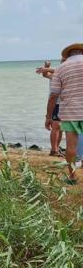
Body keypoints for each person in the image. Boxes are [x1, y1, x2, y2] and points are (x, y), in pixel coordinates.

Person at [46, 43, 83, 184]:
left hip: (70, 112)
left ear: (67, 55)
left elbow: (53, 95)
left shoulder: (61, 68)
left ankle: (72, 176)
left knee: (71, 146)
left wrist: (48, 117)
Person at [36, 61, 64, 157]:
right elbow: (45, 75)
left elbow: (48, 72)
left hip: (64, 104)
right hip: (56, 103)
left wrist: (46, 68)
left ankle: (56, 148)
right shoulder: (56, 74)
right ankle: (54, 149)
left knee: (61, 128)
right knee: (56, 127)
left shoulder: (61, 72)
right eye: (63, 61)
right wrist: (47, 67)